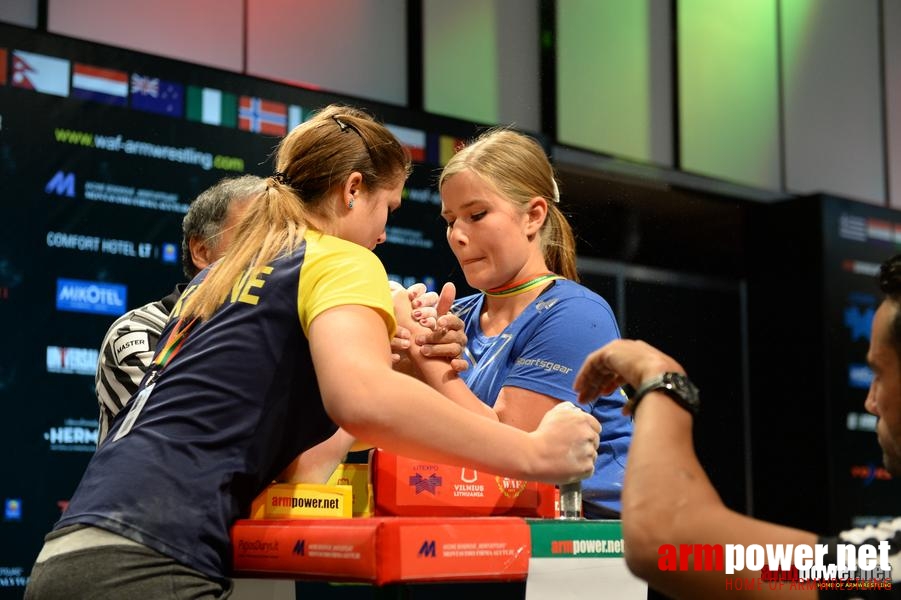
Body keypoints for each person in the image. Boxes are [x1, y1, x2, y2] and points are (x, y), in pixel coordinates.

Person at [24, 104, 600, 600]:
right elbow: (366, 402)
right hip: (153, 561)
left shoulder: (220, 277)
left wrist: (394, 359)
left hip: (70, 554)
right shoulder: (340, 258)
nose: (382, 235)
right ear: (353, 190)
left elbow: (304, 459)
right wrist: (533, 454)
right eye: (388, 210)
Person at [572, 254, 901, 598]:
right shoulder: (879, 566)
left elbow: (669, 543)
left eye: (879, 373)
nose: (871, 401)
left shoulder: (888, 564)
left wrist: (663, 380)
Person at [401, 128, 632, 518]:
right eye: (450, 220)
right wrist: (403, 361)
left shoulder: (577, 315)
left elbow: (514, 455)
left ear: (533, 215)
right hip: (488, 537)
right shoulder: (455, 317)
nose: (457, 235)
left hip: (584, 548)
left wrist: (427, 362)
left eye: (476, 215)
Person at [94, 175, 265, 444]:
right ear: (201, 250)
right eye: (252, 237)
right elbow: (187, 430)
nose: (270, 255)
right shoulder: (139, 330)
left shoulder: (274, 333)